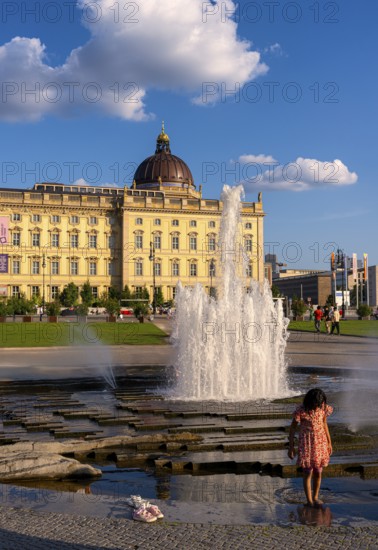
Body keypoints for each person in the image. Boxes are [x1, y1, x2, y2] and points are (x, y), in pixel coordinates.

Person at [288, 388, 333, 507]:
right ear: (310, 402)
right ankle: (309, 500)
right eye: (316, 404)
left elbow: (324, 423)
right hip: (307, 444)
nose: (317, 407)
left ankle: (316, 497)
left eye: (320, 404)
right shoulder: (301, 411)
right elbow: (292, 428)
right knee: (308, 472)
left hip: (320, 443)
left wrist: (329, 442)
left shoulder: (323, 407)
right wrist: (291, 446)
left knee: (318, 471)